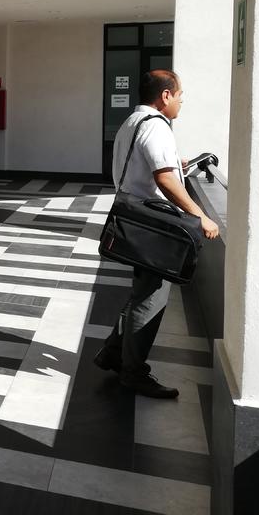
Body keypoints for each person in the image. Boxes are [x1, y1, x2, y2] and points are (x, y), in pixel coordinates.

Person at [94, 70, 219, 399]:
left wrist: (178, 163)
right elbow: (164, 180)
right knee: (150, 299)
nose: (181, 102)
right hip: (152, 226)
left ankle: (113, 353)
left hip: (135, 219)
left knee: (142, 294)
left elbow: (149, 167)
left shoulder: (132, 122)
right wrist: (201, 216)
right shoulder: (156, 126)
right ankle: (133, 373)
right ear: (165, 95)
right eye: (179, 96)